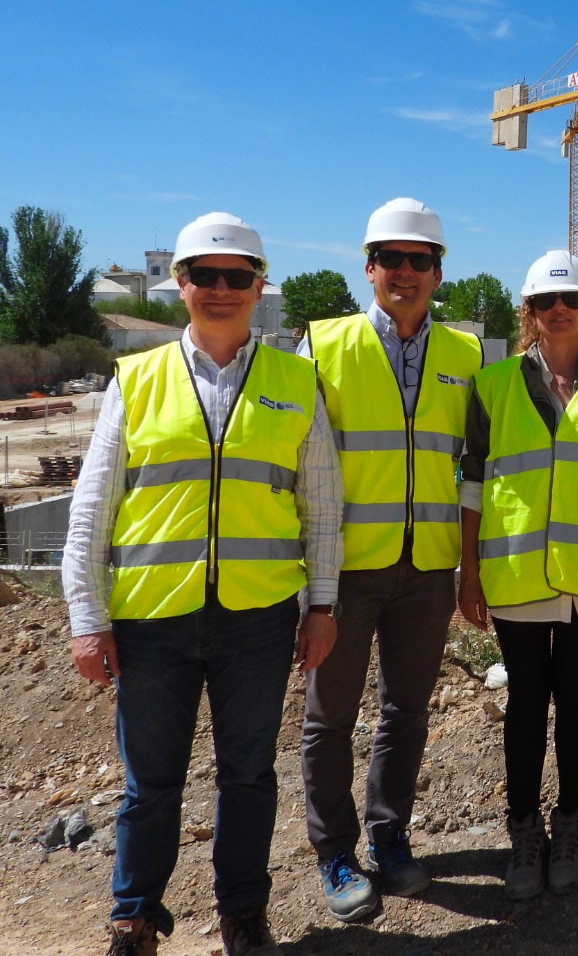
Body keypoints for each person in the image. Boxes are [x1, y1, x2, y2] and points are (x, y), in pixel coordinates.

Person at [62, 213, 343, 956]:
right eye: (204, 276)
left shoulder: (295, 379)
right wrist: (86, 616)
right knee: (149, 783)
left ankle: (242, 912)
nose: (221, 290)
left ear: (259, 287)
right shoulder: (140, 378)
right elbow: (92, 506)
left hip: (257, 616)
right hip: (153, 618)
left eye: (237, 276)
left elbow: (321, 507)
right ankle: (135, 915)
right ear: (180, 285)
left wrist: (322, 606)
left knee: (248, 775)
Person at [297, 198, 483, 922]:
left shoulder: (465, 355)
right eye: (393, 259)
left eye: (422, 260)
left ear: (439, 273)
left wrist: (467, 564)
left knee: (406, 710)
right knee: (329, 718)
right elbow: (303, 467)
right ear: (369, 267)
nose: (407, 272)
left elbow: (472, 466)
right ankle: (335, 852)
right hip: (344, 571)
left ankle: (390, 834)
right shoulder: (324, 345)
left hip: (429, 566)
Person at [457, 251, 578, 900]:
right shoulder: (493, 385)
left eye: (572, 301)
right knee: (526, 703)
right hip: (516, 574)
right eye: (548, 303)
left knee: (577, 699)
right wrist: (468, 574)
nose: (560, 312)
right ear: (529, 312)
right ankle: (524, 828)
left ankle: (571, 820)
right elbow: (471, 486)